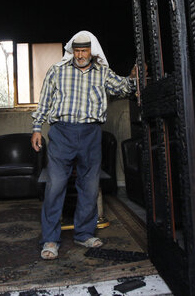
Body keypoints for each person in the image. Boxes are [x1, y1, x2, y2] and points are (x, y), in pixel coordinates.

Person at [31, 30, 137, 260]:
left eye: (84, 51)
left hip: (91, 133)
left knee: (89, 186)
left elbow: (124, 88)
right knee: (55, 186)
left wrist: (134, 78)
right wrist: (37, 128)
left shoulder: (102, 73)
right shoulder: (57, 71)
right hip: (61, 133)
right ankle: (50, 239)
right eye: (77, 51)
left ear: (92, 51)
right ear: (72, 51)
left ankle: (84, 233)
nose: (80, 55)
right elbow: (44, 101)